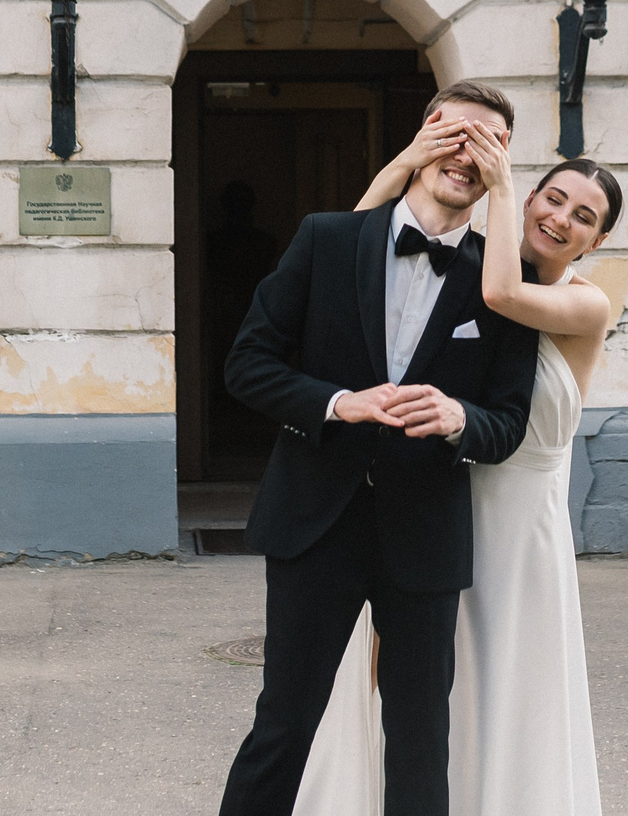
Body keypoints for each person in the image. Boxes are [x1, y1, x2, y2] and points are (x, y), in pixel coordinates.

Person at [219, 81, 542, 816]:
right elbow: (247, 363)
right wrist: (338, 402)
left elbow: (509, 423)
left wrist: (460, 415)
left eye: (488, 143)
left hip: (423, 534)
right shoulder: (327, 238)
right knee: (284, 724)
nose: (467, 154)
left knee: (420, 735)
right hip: (314, 521)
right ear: (426, 132)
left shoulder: (502, 284)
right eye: (456, 132)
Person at [292, 115, 620, 816]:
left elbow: (505, 295)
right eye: (553, 199)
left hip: (520, 531)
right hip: (437, 502)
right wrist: (412, 155)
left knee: (508, 681)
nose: (562, 218)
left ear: (598, 239)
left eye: (584, 215)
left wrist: (498, 190)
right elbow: (357, 241)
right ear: (532, 199)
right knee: (405, 685)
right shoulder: (461, 261)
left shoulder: (583, 302)